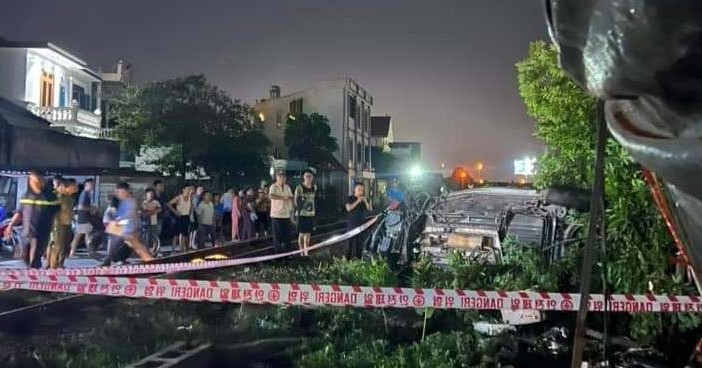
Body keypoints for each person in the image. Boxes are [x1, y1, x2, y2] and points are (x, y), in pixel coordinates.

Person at [3, 171, 59, 269]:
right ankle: (32, 271)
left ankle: (34, 272)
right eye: (32, 181)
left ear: (42, 182)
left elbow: (57, 214)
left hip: (42, 233)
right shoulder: (26, 196)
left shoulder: (50, 197)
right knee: (26, 258)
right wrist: (10, 226)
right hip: (27, 233)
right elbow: (19, 213)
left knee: (35, 258)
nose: (34, 183)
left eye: (37, 181)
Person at [106, 182, 153, 262]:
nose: (118, 194)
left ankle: (149, 260)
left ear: (126, 191)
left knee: (136, 245)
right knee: (115, 243)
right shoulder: (121, 201)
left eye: (120, 192)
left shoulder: (130, 201)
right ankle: (108, 261)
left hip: (126, 227)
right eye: (118, 192)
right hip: (121, 225)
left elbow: (130, 214)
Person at [48, 178, 77, 269]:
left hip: (67, 224)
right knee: (57, 246)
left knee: (64, 246)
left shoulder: (69, 198)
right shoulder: (58, 197)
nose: (75, 188)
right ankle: (53, 266)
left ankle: (60, 264)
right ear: (66, 187)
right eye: (73, 186)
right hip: (58, 224)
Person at [269, 171, 294, 253]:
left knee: (288, 235)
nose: (282, 179)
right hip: (276, 215)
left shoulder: (287, 187)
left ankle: (289, 252)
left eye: (283, 177)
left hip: (286, 214)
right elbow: (271, 195)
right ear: (277, 178)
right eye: (280, 177)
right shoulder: (273, 186)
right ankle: (278, 253)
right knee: (277, 236)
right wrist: (283, 197)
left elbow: (291, 197)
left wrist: (292, 211)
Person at [345, 182, 372, 259]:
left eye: (362, 190)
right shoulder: (350, 198)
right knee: (350, 242)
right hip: (352, 224)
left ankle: (358, 258)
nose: (361, 191)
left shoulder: (364, 199)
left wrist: (365, 201)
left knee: (359, 242)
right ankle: (348, 259)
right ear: (355, 190)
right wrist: (357, 201)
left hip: (361, 224)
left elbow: (370, 209)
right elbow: (348, 208)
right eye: (359, 189)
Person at [70, 178, 95, 257]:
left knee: (81, 235)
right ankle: (89, 252)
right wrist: (91, 208)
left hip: (83, 217)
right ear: (86, 185)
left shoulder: (86, 194)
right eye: (91, 184)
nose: (93, 186)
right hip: (83, 218)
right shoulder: (84, 194)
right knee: (84, 235)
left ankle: (73, 252)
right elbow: (81, 207)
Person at [295, 170, 317, 256]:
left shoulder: (314, 187)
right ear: (304, 177)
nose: (309, 178)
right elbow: (296, 200)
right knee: (301, 233)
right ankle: (301, 251)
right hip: (302, 213)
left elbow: (315, 199)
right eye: (307, 176)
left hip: (311, 213)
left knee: (308, 233)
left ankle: (306, 250)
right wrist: (298, 209)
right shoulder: (299, 187)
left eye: (310, 176)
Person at [167, 186, 193, 252]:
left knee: (186, 234)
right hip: (180, 217)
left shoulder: (190, 197)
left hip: (186, 217)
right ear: (183, 189)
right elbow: (169, 204)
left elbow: (191, 205)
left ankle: (185, 250)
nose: (188, 190)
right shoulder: (179, 197)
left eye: (189, 189)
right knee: (176, 235)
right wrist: (175, 212)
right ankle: (173, 251)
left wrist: (190, 212)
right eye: (187, 189)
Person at [141, 188, 162, 253]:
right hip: (146, 223)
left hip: (154, 221)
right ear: (146, 194)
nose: (151, 195)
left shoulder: (156, 202)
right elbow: (144, 211)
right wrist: (153, 211)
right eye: (150, 193)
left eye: (152, 194)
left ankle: (156, 251)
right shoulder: (143, 202)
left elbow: (160, 209)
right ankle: (146, 251)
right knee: (146, 237)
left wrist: (152, 211)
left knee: (155, 236)